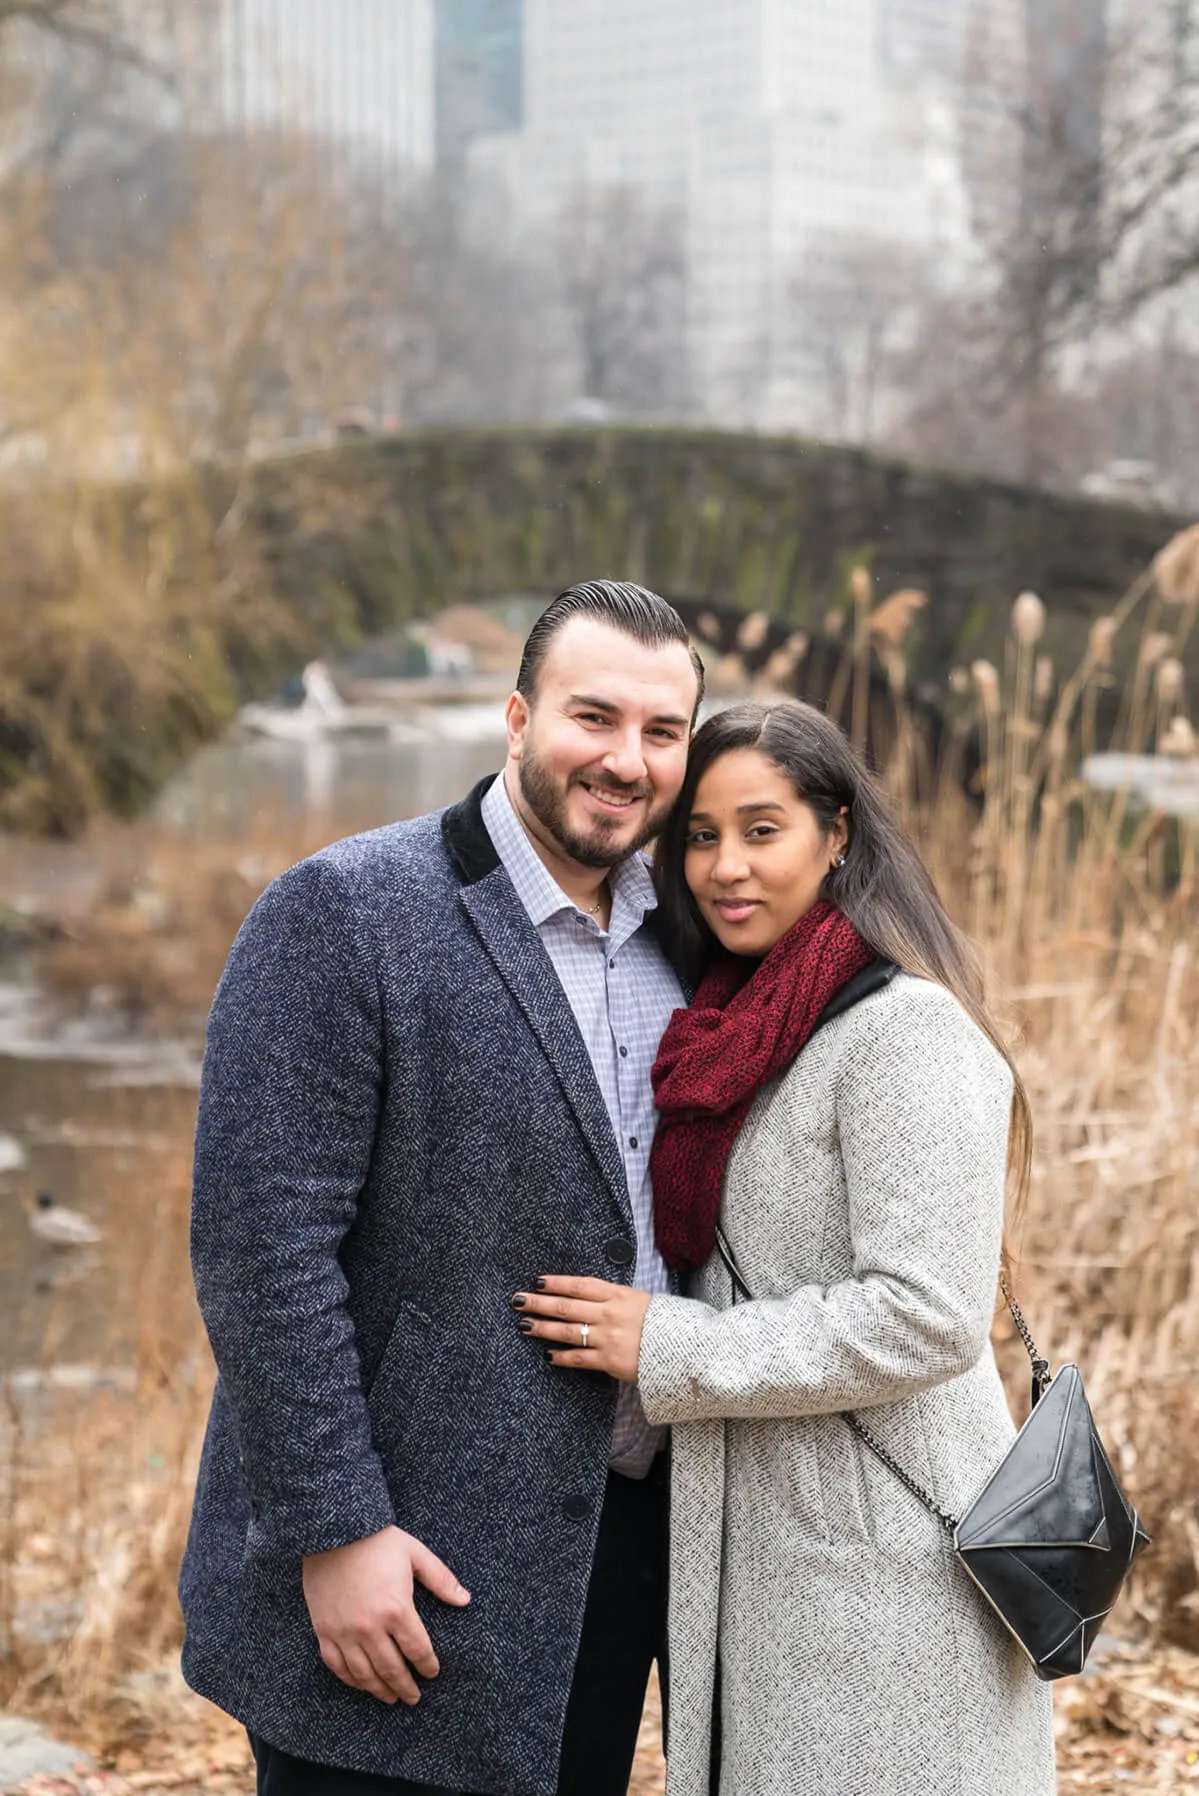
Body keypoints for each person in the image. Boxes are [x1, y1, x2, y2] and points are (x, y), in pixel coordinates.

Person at [179, 580, 704, 1796]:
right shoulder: (345, 911)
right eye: (594, 716)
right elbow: (262, 1247)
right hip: (395, 1564)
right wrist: (335, 1529)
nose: (627, 760)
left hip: (598, 1557)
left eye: (663, 731)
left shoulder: (691, 932)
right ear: (517, 718)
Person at [515, 699, 1059, 1796]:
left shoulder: (907, 1031)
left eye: (763, 829)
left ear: (837, 833)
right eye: (702, 835)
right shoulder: (727, 1023)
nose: (726, 866)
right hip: (766, 1560)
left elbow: (928, 1314)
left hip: (891, 1576)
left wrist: (669, 1343)